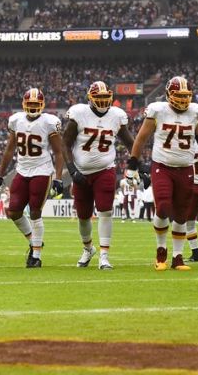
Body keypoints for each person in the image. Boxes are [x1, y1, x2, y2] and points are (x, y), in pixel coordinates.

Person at [129, 76, 198, 271]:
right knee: (164, 207)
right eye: (179, 96)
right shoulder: (158, 111)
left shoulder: (196, 113)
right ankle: (160, 250)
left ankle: (177, 257)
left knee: (182, 214)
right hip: (163, 166)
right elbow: (141, 139)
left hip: (186, 167)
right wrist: (132, 163)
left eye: (186, 96)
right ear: (168, 95)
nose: (183, 100)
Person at [62, 81, 132, 270]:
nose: (102, 102)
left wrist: (138, 165)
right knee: (84, 216)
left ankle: (104, 255)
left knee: (105, 211)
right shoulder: (79, 114)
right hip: (82, 172)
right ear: (90, 99)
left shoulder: (116, 116)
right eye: (98, 98)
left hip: (105, 169)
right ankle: (88, 249)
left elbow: (131, 143)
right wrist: (72, 170)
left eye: (105, 98)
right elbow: (65, 143)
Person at [0, 88, 66, 268]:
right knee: (13, 211)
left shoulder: (49, 122)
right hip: (22, 170)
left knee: (35, 212)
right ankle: (35, 241)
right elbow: (10, 149)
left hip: (42, 170)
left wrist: (58, 178)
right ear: (24, 104)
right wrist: (0, 174)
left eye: (36, 104)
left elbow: (58, 151)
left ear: (42, 105)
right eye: (30, 104)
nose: (33, 108)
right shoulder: (16, 120)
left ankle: (36, 255)